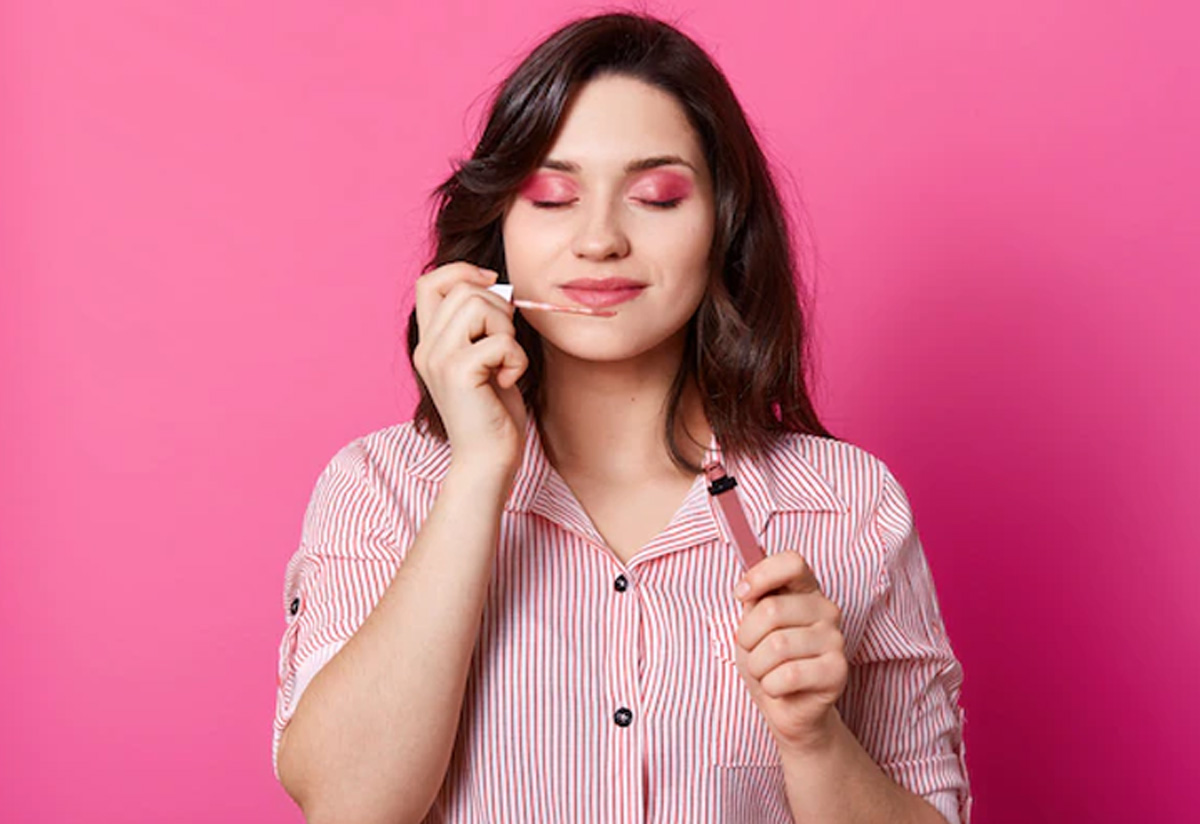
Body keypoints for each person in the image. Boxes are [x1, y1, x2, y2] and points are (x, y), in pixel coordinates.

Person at [272, 11, 971, 824]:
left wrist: (815, 739)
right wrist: (477, 473)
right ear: (499, 228)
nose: (599, 239)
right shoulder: (381, 489)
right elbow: (347, 807)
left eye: (656, 196)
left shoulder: (848, 507)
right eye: (553, 196)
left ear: (724, 225)